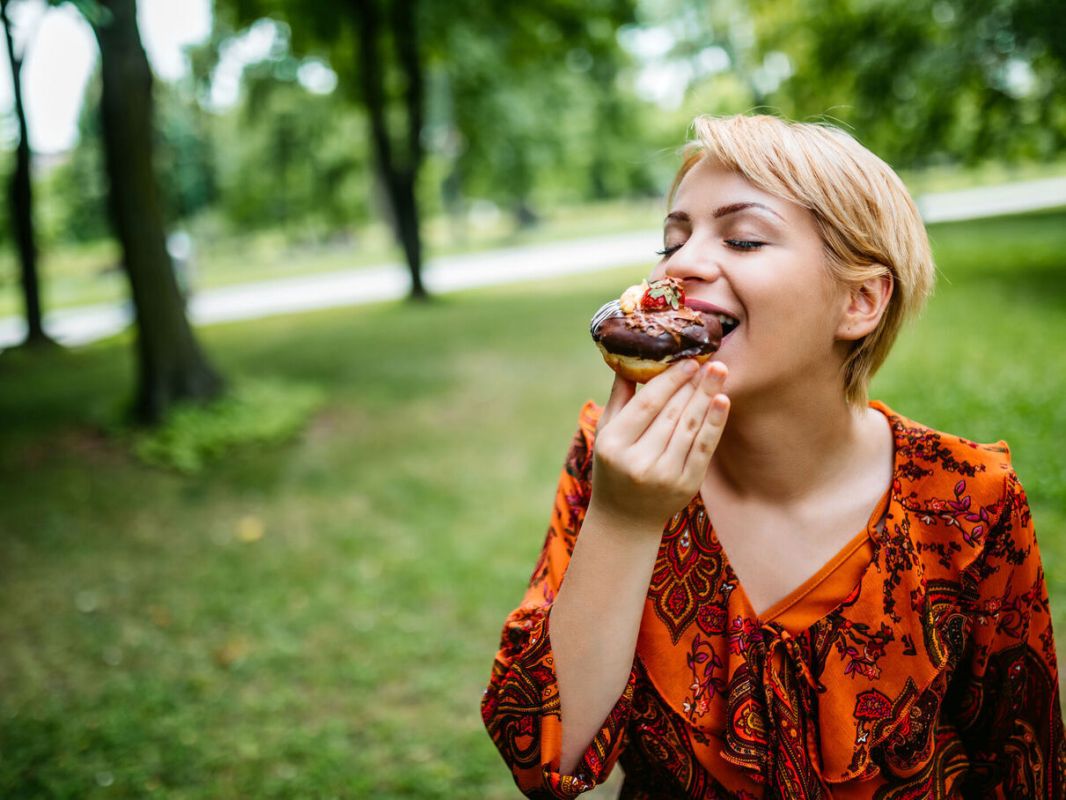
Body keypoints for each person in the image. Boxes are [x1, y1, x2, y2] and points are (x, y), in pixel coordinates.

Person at [481, 114, 1065, 798]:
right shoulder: (613, 461)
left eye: (743, 238)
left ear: (860, 301)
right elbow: (544, 761)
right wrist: (625, 517)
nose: (681, 264)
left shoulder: (969, 500)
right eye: (673, 240)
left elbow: (1023, 765)